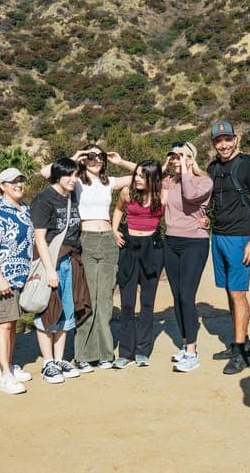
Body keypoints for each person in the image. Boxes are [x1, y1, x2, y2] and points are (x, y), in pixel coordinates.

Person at [62, 145, 134, 371]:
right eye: (91, 156)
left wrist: (119, 161)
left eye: (100, 156)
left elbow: (143, 174)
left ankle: (105, 353)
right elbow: (50, 174)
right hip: (86, 239)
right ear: (83, 159)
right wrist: (74, 159)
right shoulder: (77, 182)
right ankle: (83, 354)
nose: (96, 160)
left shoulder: (108, 182)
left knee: (105, 298)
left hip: (108, 240)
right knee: (86, 297)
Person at [206, 119, 250, 375]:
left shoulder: (249, 166)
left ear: (236, 139)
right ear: (213, 144)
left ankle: (240, 352)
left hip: (241, 238)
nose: (223, 145)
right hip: (218, 236)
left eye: (227, 139)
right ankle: (240, 341)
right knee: (229, 291)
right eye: (218, 141)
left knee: (238, 294)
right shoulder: (211, 168)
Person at [30, 158, 91, 384]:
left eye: (76, 175)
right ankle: (48, 363)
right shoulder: (44, 199)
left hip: (71, 259)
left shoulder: (71, 195)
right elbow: (39, 237)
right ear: (58, 175)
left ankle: (60, 359)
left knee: (66, 309)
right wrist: (49, 269)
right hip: (51, 261)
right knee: (47, 309)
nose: (73, 179)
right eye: (69, 175)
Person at [0, 167, 35, 395]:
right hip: (1, 279)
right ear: (2, 186)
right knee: (2, 325)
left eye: (21, 180)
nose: (19, 184)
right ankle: (4, 374)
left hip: (22, 277)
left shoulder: (25, 210)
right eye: (13, 181)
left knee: (12, 323)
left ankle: (9, 365)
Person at [163, 142, 213, 373]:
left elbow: (190, 195)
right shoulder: (170, 181)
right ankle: (184, 344)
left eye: (182, 156)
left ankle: (192, 352)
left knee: (186, 294)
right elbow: (143, 175)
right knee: (176, 295)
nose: (177, 160)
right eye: (174, 157)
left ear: (192, 158)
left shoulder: (204, 181)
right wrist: (166, 167)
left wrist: (184, 170)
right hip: (171, 242)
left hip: (195, 241)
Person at [111, 159, 165, 368]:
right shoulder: (127, 192)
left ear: (153, 178)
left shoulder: (162, 195)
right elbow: (118, 210)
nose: (137, 179)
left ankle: (142, 350)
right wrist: (115, 230)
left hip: (152, 249)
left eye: (143, 176)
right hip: (129, 247)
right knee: (127, 302)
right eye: (137, 175)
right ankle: (125, 353)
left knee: (148, 303)